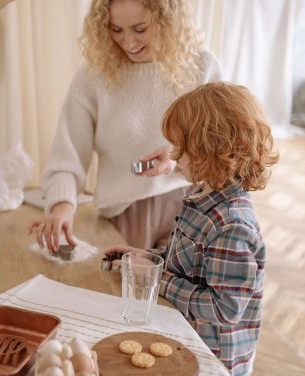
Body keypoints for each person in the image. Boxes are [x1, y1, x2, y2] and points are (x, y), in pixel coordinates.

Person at [105, 82, 279, 375]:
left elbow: (224, 309)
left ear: (208, 150)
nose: (171, 156)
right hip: (185, 335)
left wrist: (157, 281)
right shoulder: (201, 196)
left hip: (212, 358)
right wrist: (148, 259)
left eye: (178, 147)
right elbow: (189, 260)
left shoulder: (233, 226)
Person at [28, 0, 222, 252]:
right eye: (116, 29)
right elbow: (68, 154)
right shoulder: (93, 76)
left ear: (167, 20)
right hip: (123, 212)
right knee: (118, 288)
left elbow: (221, 144)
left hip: (193, 206)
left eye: (140, 29)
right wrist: (62, 204)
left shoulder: (202, 67)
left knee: (178, 290)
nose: (129, 42)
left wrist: (178, 155)